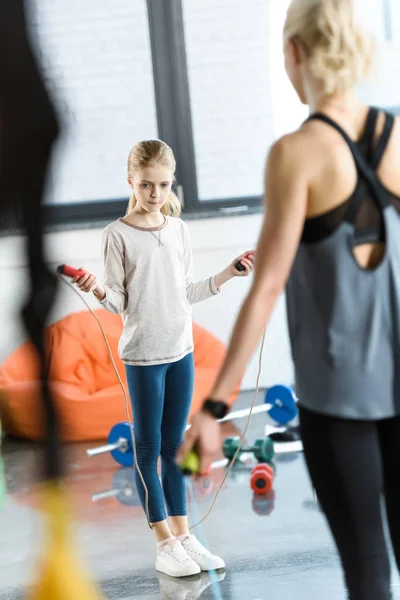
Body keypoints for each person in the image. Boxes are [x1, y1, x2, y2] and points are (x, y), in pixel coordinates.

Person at [179, 0, 400, 598]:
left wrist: (214, 407)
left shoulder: (296, 153)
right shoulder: (397, 133)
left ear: (296, 53)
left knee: (368, 571)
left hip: (341, 401)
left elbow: (268, 284)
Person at [72, 139, 254, 578]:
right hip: (143, 357)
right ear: (131, 181)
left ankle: (184, 534)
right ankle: (164, 543)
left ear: (172, 183)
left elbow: (188, 292)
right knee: (148, 448)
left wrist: (229, 272)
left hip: (181, 352)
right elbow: (117, 303)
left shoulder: (179, 230)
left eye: (164, 185)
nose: (155, 194)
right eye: (146, 184)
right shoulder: (116, 235)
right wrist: (96, 288)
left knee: (175, 448)